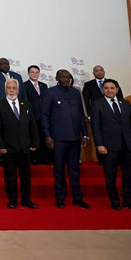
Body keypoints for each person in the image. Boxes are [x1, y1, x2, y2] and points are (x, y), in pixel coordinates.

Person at [41, 69, 90, 209]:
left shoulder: (75, 92)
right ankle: (60, 197)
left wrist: (84, 134)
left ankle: (77, 198)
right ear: (56, 78)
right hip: (58, 139)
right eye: (62, 77)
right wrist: (47, 136)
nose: (65, 79)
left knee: (74, 169)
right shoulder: (50, 93)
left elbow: (81, 115)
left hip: (75, 138)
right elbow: (44, 115)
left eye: (67, 77)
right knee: (59, 170)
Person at [91, 79, 131, 210]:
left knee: (129, 175)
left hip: (127, 146)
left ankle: (127, 200)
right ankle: (114, 201)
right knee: (110, 176)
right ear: (103, 90)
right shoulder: (97, 104)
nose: (109, 90)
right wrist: (99, 145)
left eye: (112, 88)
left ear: (117, 90)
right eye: (106, 88)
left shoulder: (125, 103)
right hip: (109, 147)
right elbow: (95, 127)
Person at [0, 79, 39, 209]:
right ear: (5, 89)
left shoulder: (27, 104)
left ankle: (26, 200)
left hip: (25, 147)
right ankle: (12, 200)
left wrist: (35, 142)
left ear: (18, 90)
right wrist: (0, 146)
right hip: (8, 148)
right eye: (9, 88)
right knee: (10, 176)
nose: (11, 90)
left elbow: (32, 125)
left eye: (14, 88)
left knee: (26, 176)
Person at [0, 58, 26, 165]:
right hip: (0, 111)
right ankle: (2, 158)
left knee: (18, 133)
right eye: (2, 64)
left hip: (17, 110)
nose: (5, 65)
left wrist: (25, 109)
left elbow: (23, 94)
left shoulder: (17, 76)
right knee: (1, 134)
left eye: (6, 63)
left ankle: (17, 156)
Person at [83, 65, 123, 165]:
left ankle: (117, 157)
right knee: (99, 135)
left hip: (113, 114)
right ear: (93, 73)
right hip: (97, 115)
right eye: (96, 71)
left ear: (104, 72)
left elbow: (120, 98)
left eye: (101, 70)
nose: (99, 72)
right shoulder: (88, 84)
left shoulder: (113, 83)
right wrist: (88, 115)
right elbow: (85, 101)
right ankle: (102, 159)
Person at [24, 65, 51, 165]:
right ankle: (34, 158)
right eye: (32, 72)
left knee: (45, 138)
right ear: (28, 74)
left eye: (37, 72)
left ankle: (45, 158)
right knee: (34, 138)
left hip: (44, 117)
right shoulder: (24, 85)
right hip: (32, 117)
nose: (35, 74)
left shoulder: (44, 86)